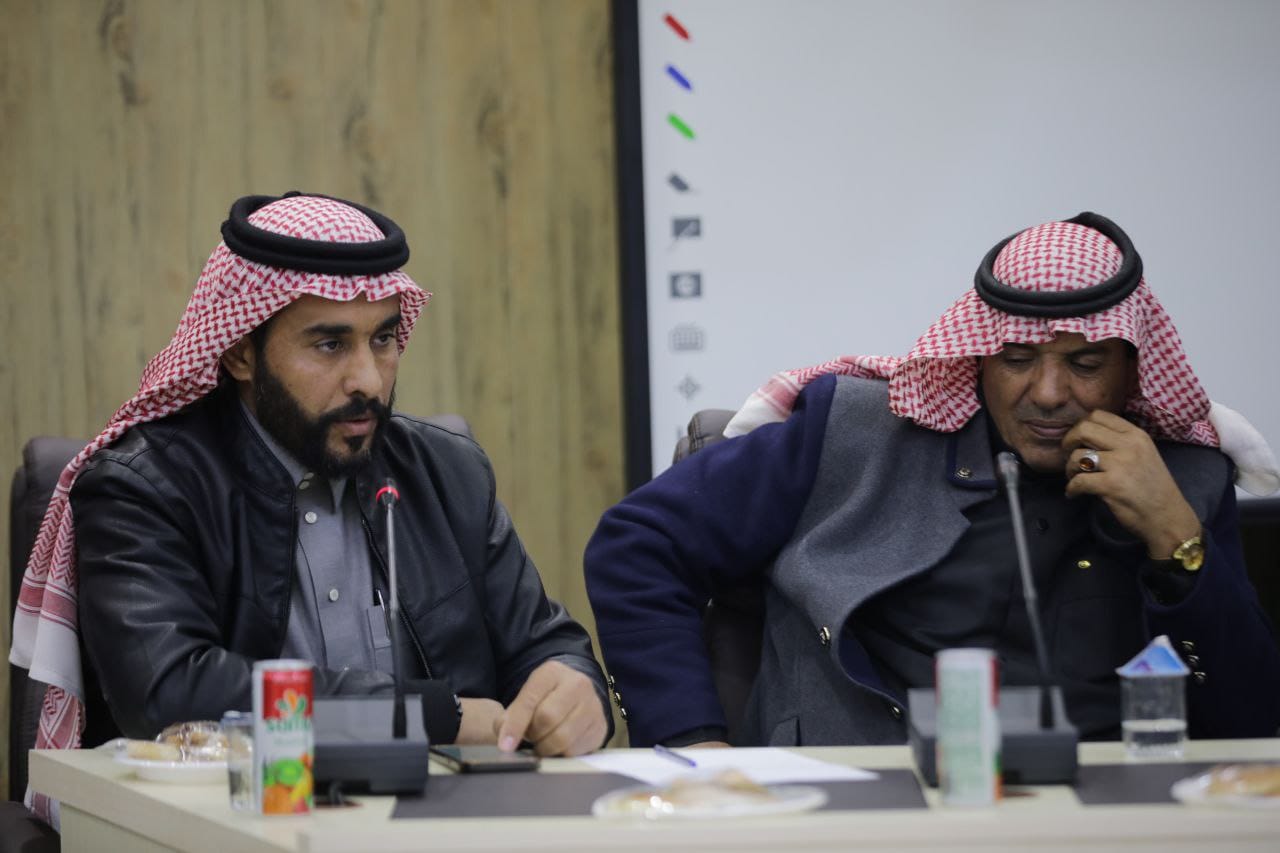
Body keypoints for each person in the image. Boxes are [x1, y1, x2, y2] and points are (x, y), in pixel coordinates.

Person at [11, 193, 610, 818]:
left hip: (440, 824)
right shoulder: (144, 488)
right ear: (241, 352)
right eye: (330, 345)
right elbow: (172, 695)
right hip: (229, 827)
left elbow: (546, 646)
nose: (369, 380)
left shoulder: (449, 471)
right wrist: (433, 717)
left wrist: (575, 690)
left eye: (383, 339)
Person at [585, 212, 1280, 749]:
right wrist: (691, 743)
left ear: (1134, 367)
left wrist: (1177, 539)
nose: (1047, 393)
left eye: (1085, 363)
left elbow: (1252, 723)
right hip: (860, 805)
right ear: (977, 357)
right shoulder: (854, 433)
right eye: (1017, 358)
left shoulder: (1185, 477)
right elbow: (637, 543)